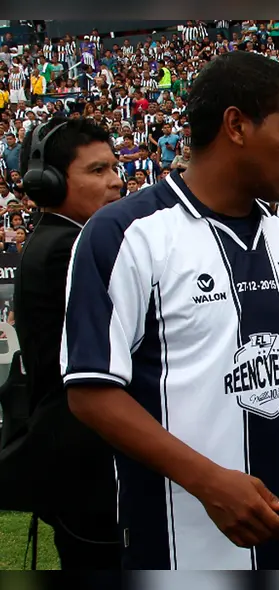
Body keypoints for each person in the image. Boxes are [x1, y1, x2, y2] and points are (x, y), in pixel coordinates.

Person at [59, 51, 279, 570]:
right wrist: (209, 482)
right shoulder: (125, 234)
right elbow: (91, 393)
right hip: (178, 543)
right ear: (236, 126)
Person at [6, 117, 122, 569]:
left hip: (84, 460)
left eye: (114, 167)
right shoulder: (65, 249)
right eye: (96, 171)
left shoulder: (68, 240)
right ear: (49, 184)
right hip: (87, 464)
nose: (115, 182)